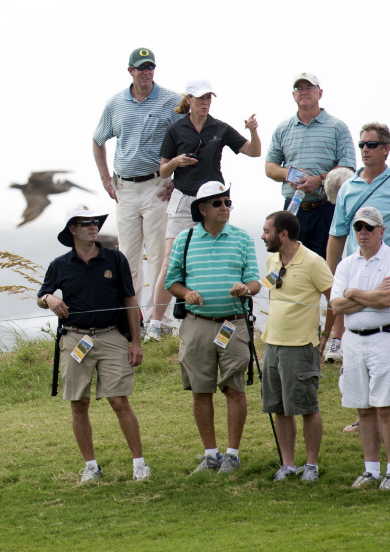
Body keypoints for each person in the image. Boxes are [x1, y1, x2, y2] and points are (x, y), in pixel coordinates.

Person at [37, 204, 149, 482]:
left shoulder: (115, 259)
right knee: (78, 403)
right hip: (75, 337)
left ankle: (139, 464)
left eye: (95, 222)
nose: (93, 226)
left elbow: (129, 301)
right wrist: (49, 298)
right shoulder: (59, 265)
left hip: (112, 335)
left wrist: (136, 341)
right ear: (72, 230)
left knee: (119, 401)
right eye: (85, 223)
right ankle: (91, 467)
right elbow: (41, 296)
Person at [327, 123, 390, 434]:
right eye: (362, 144)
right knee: (357, 340)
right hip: (356, 270)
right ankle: (364, 411)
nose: (365, 150)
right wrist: (331, 279)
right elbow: (338, 234)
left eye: (371, 144)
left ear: (386, 149)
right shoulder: (348, 188)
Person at [164, 182, 261, 474]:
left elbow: (256, 281)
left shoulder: (242, 238)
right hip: (197, 324)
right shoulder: (185, 238)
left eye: (227, 202)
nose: (225, 208)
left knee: (234, 388)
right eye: (218, 203)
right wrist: (185, 294)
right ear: (203, 208)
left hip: (233, 323)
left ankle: (231, 455)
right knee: (200, 390)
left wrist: (246, 288)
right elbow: (172, 281)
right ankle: (210, 455)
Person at [156, 79, 260, 338]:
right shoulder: (175, 129)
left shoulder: (220, 127)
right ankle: (156, 323)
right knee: (170, 261)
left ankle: (220, 314)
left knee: (217, 258)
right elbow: (162, 170)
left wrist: (253, 131)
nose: (205, 103)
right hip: (183, 199)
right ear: (188, 99)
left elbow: (254, 152)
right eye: (200, 98)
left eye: (209, 98)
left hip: (214, 201)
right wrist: (176, 162)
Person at [92, 47, 183, 342]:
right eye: (141, 67)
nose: (147, 72)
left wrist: (177, 179)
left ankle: (162, 322)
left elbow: (189, 139)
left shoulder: (172, 100)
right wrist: (106, 178)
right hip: (125, 189)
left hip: (157, 187)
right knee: (127, 259)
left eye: (150, 67)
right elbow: (98, 140)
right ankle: (134, 322)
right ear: (130, 71)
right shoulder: (116, 103)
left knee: (159, 255)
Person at [330, 207, 390, 490]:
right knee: (362, 408)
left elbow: (388, 299)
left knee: (386, 405)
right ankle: (371, 470)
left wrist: (353, 293)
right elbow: (336, 305)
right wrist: (368, 296)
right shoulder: (347, 264)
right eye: (359, 228)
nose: (363, 233)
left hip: (385, 337)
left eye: (369, 228)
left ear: (381, 230)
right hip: (353, 339)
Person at [259, 211, 335, 482]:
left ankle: (311, 465)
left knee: (307, 407)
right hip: (272, 344)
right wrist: (248, 289)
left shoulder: (313, 262)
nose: (262, 235)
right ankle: (288, 464)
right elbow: (271, 285)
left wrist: (326, 336)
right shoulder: (272, 258)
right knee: (279, 407)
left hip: (302, 346)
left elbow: (333, 299)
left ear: (283, 234)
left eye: (267, 231)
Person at [265, 72, 357, 259]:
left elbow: (348, 169)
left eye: (309, 88)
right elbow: (270, 167)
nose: (304, 92)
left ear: (320, 93)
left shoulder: (337, 127)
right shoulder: (283, 129)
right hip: (292, 210)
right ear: (293, 95)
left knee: (326, 266)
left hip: (326, 209)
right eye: (299, 88)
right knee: (289, 264)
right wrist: (289, 175)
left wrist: (319, 180)